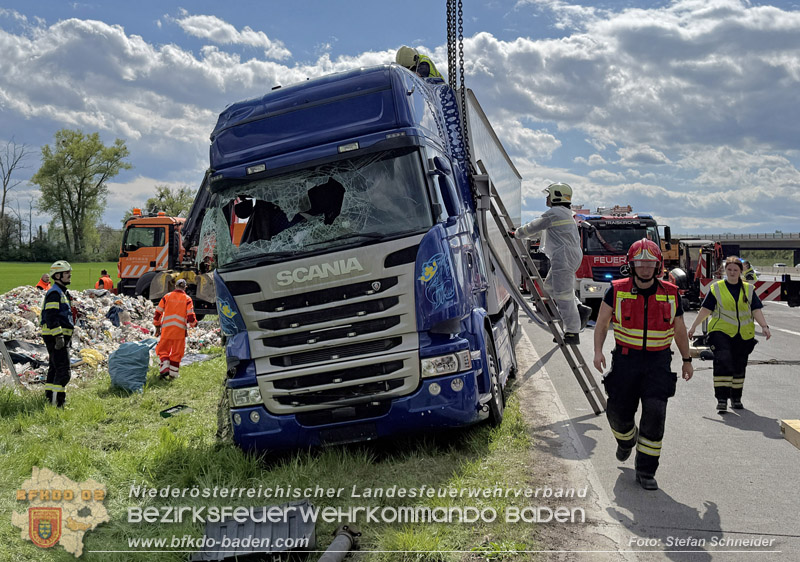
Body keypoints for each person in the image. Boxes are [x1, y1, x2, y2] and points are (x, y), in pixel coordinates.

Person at [593, 239, 693, 490]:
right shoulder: (616, 289)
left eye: (650, 264)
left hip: (658, 363)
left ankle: (646, 470)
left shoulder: (670, 293)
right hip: (626, 361)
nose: (645, 268)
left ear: (658, 266)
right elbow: (602, 323)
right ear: (632, 265)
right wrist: (598, 351)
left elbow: (679, 328)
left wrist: (687, 359)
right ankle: (626, 441)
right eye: (640, 263)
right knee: (617, 413)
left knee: (655, 414)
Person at [508, 182, 592, 344]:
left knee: (563, 295)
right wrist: (523, 235)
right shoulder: (563, 213)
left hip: (564, 257)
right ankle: (580, 308)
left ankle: (572, 332)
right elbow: (540, 232)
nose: (547, 198)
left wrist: (516, 233)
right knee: (551, 286)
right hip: (568, 256)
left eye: (549, 195)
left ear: (556, 196)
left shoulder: (554, 213)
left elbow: (534, 226)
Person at [688, 256, 770, 412]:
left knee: (739, 365)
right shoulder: (717, 288)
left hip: (743, 334)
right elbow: (706, 310)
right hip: (721, 332)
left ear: (741, 271)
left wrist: (764, 326)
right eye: (729, 270)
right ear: (725, 271)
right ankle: (721, 399)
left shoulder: (749, 289)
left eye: (735, 270)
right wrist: (693, 327)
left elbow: (756, 309)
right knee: (723, 360)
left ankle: (736, 397)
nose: (732, 273)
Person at [40, 261, 75, 407]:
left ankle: (49, 400)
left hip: (59, 337)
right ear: (58, 275)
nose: (70, 275)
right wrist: (59, 336)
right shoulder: (55, 293)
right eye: (67, 273)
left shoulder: (62, 292)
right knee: (63, 373)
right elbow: (51, 316)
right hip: (56, 338)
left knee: (54, 369)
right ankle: (58, 404)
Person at [153, 278, 198, 379]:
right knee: (177, 352)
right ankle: (173, 374)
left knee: (163, 349)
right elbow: (190, 316)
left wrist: (157, 325)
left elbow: (158, 312)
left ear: (175, 286)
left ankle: (164, 367)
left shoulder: (167, 296)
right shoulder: (187, 299)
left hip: (167, 330)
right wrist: (194, 324)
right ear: (185, 287)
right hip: (179, 331)